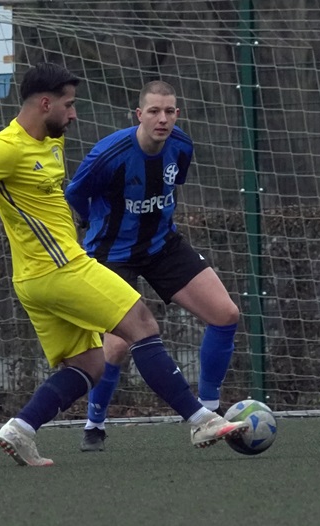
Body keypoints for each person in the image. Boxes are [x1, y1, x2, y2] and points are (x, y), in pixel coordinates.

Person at [0, 63, 246, 467]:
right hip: (60, 267)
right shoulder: (6, 147)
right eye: (68, 105)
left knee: (90, 364)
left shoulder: (51, 140)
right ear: (45, 104)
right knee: (141, 324)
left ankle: (21, 428)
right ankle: (201, 420)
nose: (74, 114)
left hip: (35, 279)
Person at [63, 81, 239, 452]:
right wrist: (90, 222)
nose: (163, 119)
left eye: (169, 111)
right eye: (155, 111)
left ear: (177, 114)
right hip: (111, 253)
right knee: (116, 346)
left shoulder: (182, 146)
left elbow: (171, 187)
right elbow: (75, 193)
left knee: (226, 314)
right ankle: (94, 424)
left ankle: (209, 410)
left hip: (162, 245)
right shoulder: (110, 153)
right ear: (139, 115)